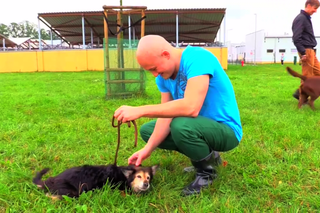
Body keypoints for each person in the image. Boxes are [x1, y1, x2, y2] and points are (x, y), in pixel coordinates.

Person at [113, 35, 243, 196]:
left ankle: (207, 174)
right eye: (150, 71)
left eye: (154, 68)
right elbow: (166, 114)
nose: (154, 74)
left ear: (166, 54)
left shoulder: (197, 58)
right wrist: (147, 149)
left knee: (181, 125)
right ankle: (210, 158)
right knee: (148, 130)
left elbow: (191, 107)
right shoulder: (163, 77)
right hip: (199, 126)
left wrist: (140, 110)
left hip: (226, 130)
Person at [292, 0, 320, 100]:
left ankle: (298, 93)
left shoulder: (306, 18)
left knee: (318, 73)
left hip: (311, 50)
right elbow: (296, 38)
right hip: (306, 51)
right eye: (315, 8)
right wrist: (303, 53)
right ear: (308, 5)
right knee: (307, 76)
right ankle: (302, 99)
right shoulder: (301, 18)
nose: (316, 11)